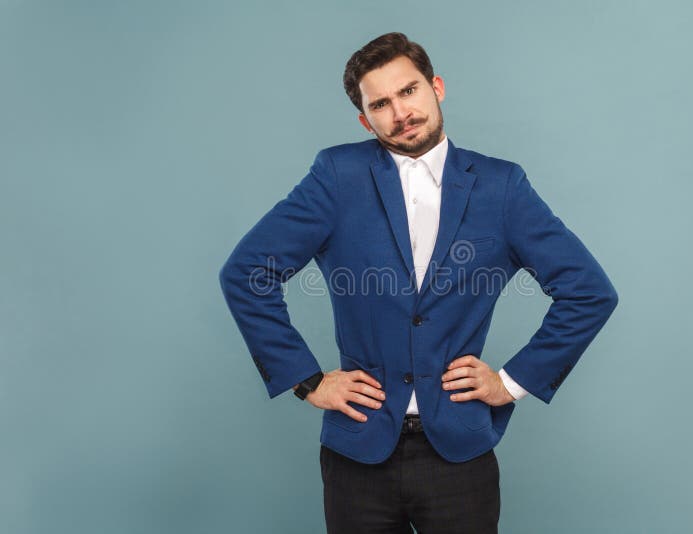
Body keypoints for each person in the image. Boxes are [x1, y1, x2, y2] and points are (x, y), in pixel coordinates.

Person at [219, 32, 618, 534]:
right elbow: (247, 272)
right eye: (380, 103)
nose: (399, 112)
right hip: (357, 451)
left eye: (408, 91)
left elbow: (589, 291)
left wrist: (510, 383)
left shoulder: (502, 186)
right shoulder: (337, 175)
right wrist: (308, 381)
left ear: (437, 87)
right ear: (366, 120)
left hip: (460, 453)